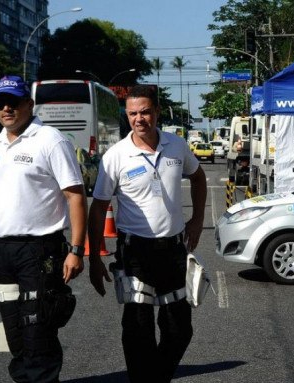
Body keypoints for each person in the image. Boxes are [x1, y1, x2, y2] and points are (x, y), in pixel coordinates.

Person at [0, 75, 86, 383]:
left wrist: (75, 250)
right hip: (3, 252)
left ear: (29, 104)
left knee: (38, 331)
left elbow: (75, 196)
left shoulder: (50, 140)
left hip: (40, 250)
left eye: (13, 102)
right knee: (15, 334)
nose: (6, 108)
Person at [88, 84, 207, 382]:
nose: (139, 119)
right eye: (133, 114)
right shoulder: (115, 156)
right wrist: (94, 257)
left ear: (157, 112)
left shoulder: (176, 145)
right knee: (138, 329)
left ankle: (157, 376)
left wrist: (196, 220)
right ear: (126, 116)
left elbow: (198, 177)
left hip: (174, 250)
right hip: (135, 252)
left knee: (180, 328)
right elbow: (99, 207)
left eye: (145, 112)